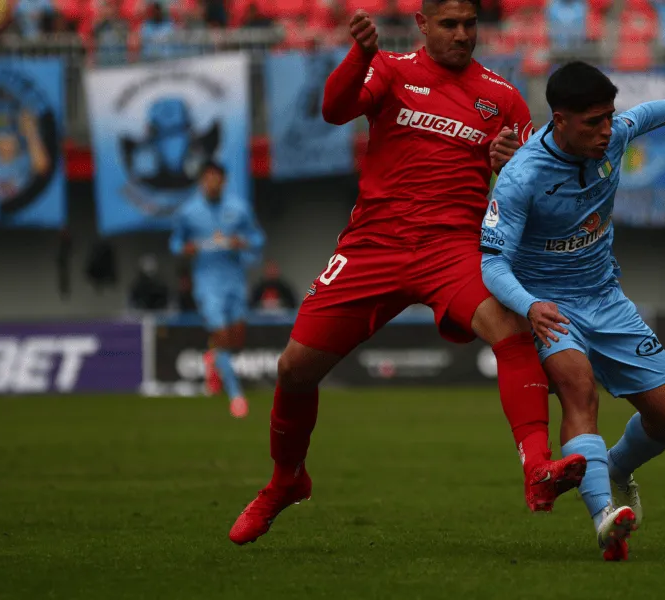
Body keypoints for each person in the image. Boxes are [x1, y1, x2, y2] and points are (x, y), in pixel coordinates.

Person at [227, 0, 587, 546]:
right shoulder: (390, 70)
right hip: (375, 245)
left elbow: (530, 197)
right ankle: (286, 481)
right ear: (423, 25)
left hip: (452, 249)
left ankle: (537, 468)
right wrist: (359, 54)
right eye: (449, 24)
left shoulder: (505, 98)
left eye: (470, 25)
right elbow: (332, 109)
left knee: (510, 329)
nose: (462, 35)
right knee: (294, 370)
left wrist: (510, 168)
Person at [480, 61, 665, 560]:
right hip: (550, 306)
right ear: (559, 120)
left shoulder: (616, 135)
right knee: (579, 391)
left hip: (606, 298)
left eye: (609, 117)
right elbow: (493, 263)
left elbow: (647, 113)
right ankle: (605, 516)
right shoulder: (521, 177)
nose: (607, 130)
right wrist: (529, 304)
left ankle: (619, 468)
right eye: (593, 122)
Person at [169, 160, 265, 420]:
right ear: (201, 181)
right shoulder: (189, 212)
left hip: (234, 279)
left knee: (236, 338)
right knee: (221, 334)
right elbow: (175, 243)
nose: (211, 183)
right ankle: (236, 396)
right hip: (207, 282)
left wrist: (241, 242)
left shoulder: (239, 208)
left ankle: (215, 358)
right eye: (207, 178)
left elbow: (258, 239)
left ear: (223, 181)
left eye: (216, 178)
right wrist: (185, 249)